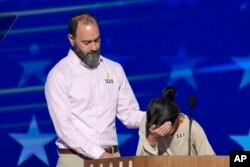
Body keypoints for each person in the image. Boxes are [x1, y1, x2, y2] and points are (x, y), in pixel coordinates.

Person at [44, 11, 145, 167]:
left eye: (97, 40)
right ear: (72, 39)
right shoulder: (59, 75)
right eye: (87, 42)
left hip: (112, 156)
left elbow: (129, 114)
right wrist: (100, 154)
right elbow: (64, 128)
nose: (94, 47)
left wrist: (159, 118)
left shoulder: (115, 69)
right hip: (76, 160)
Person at [136, 86, 215, 156]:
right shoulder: (147, 123)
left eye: (164, 128)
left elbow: (210, 161)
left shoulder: (192, 128)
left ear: (177, 120)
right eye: (156, 128)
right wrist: (152, 138)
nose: (159, 132)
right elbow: (140, 162)